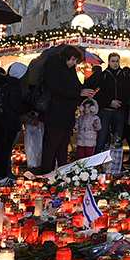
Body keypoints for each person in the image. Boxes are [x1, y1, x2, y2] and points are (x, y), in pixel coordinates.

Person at [38, 44, 84, 173]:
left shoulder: (70, 69)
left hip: (67, 115)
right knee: (51, 145)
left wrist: (83, 91)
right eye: (73, 60)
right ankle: (47, 173)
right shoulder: (53, 67)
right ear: (66, 57)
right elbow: (56, 89)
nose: (74, 63)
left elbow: (75, 86)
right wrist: (77, 93)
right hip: (55, 113)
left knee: (63, 146)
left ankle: (62, 173)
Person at [85, 52, 130, 153]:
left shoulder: (124, 75)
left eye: (117, 61)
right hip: (105, 111)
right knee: (102, 137)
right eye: (113, 61)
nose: (115, 63)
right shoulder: (103, 75)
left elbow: (128, 91)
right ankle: (97, 162)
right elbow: (96, 94)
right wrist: (109, 102)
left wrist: (122, 103)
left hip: (119, 110)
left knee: (118, 138)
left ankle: (117, 163)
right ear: (109, 62)